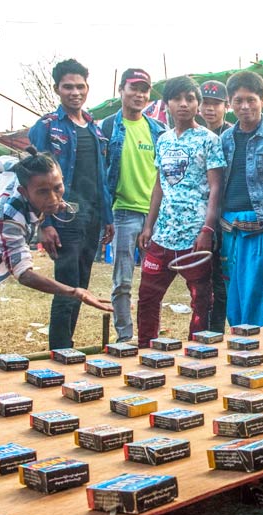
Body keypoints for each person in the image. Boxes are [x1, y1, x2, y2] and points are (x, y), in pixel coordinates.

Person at [0, 148, 112, 361]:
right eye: (43, 192)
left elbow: (2, 161)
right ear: (24, 192)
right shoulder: (8, 217)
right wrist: (74, 292)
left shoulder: (21, 169)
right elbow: (24, 274)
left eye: (57, 188)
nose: (53, 198)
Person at [28, 58, 114, 350]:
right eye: (68, 86)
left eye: (80, 86)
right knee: (67, 287)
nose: (75, 92)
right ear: (57, 89)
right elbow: (36, 179)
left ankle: (67, 346)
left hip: (91, 217)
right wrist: (46, 224)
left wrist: (108, 218)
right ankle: (60, 350)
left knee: (82, 287)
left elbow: (101, 177)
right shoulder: (47, 126)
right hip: (63, 218)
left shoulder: (94, 127)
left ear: (87, 88)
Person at [136, 76, 226, 348]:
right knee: (147, 297)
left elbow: (216, 187)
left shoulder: (209, 140)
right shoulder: (162, 140)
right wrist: (149, 226)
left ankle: (196, 355)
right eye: (177, 99)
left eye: (190, 98)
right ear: (167, 105)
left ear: (198, 104)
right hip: (162, 235)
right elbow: (159, 186)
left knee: (201, 300)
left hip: (195, 237)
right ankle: (146, 350)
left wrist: (207, 229)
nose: (184, 104)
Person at [219, 71, 263, 326]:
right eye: (238, 100)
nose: (245, 106)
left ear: (262, 99)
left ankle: (260, 345)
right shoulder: (225, 138)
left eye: (251, 99)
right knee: (234, 292)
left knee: (261, 292)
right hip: (229, 228)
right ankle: (239, 343)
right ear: (230, 103)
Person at [101, 68, 165, 344]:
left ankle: (149, 336)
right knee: (123, 281)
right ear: (121, 91)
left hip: (156, 215)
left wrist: (154, 219)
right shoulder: (106, 127)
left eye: (144, 90)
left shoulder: (158, 130)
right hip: (123, 213)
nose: (139, 95)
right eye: (134, 88)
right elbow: (101, 174)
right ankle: (125, 336)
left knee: (155, 282)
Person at [199, 79, 232, 332]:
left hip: (228, 218)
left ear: (226, 106)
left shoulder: (231, 136)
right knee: (204, 281)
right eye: (205, 104)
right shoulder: (196, 136)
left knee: (223, 281)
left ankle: (219, 332)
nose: (210, 109)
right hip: (202, 217)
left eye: (215, 104)